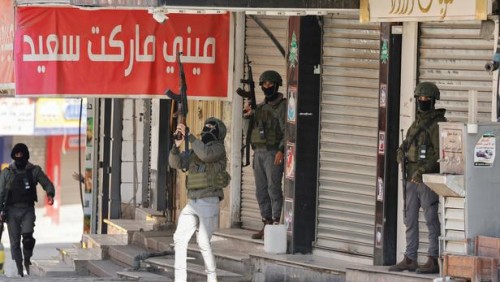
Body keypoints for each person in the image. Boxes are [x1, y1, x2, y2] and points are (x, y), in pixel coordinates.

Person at [389, 82, 447, 274]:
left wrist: (422, 171)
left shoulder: (437, 124)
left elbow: (439, 154)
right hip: (410, 178)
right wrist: (399, 153)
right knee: (410, 218)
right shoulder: (417, 123)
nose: (422, 102)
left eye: (426, 99)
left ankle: (433, 258)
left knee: (431, 218)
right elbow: (405, 144)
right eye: (420, 99)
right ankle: (410, 257)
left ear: (432, 101)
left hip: (425, 179)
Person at [169, 117, 230, 282]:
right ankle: (180, 279)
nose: (207, 129)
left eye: (211, 127)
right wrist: (176, 146)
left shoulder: (218, 148)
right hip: (193, 202)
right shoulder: (196, 149)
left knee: (203, 242)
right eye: (206, 126)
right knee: (179, 239)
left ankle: (212, 277)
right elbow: (176, 163)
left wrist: (190, 136)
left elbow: (206, 155)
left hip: (208, 201)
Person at [0, 143, 55, 277]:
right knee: (15, 243)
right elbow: (0, 192)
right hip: (11, 211)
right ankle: (20, 270)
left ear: (26, 156)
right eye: (17, 155)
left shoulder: (34, 170)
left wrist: (50, 194)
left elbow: (46, 183)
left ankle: (27, 261)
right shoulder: (7, 173)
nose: (19, 157)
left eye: (21, 155)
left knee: (28, 237)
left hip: (28, 209)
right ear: (13, 156)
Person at [243, 70, 286, 240]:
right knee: (261, 191)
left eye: (270, 84)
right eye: (264, 84)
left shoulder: (282, 106)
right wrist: (247, 116)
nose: (267, 87)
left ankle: (276, 223)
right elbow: (248, 132)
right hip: (259, 153)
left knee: (273, 188)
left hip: (272, 152)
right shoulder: (259, 107)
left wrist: (281, 150)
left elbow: (287, 131)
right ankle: (266, 223)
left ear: (276, 85)